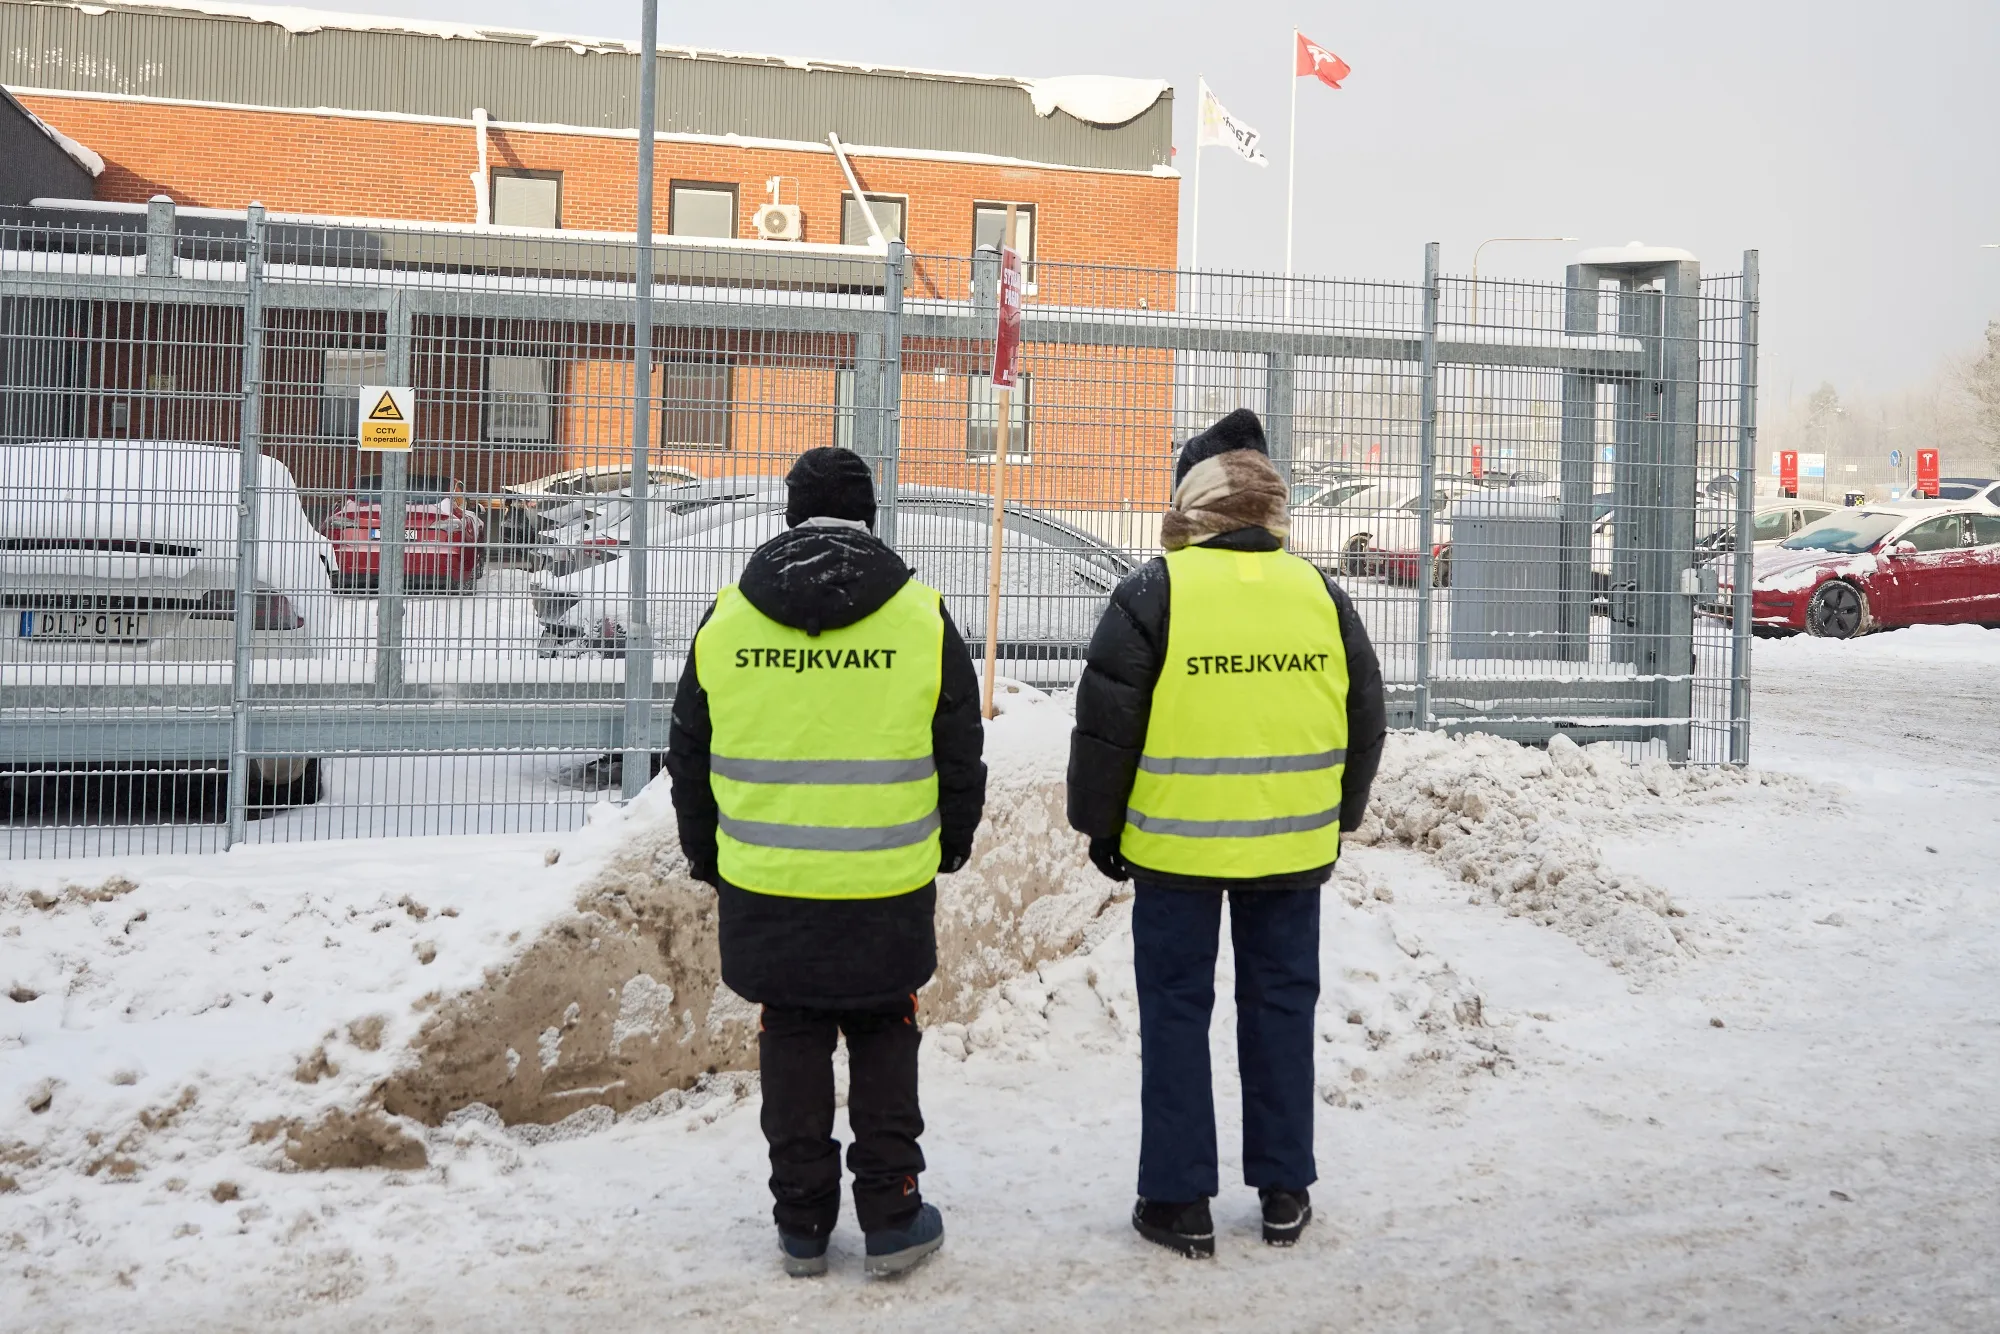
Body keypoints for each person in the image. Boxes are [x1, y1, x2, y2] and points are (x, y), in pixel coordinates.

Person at [1066, 408, 1387, 1258]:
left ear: (1193, 502)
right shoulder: (1322, 594)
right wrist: (1337, 816)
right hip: (1290, 850)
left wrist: (1101, 828)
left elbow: (1107, 724)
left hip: (1174, 851)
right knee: (1282, 1008)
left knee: (1176, 1012)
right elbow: (1366, 719)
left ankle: (1178, 1203)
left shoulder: (1155, 592)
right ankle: (1284, 1190)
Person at [666, 446, 986, 1279]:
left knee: (792, 1029)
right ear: (870, 514)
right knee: (886, 1025)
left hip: (767, 881)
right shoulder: (921, 616)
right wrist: (950, 842)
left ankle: (802, 1224)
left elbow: (689, 751)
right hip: (886, 878)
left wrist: (707, 853)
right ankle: (893, 1213)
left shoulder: (729, 617)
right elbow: (959, 747)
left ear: (788, 515)